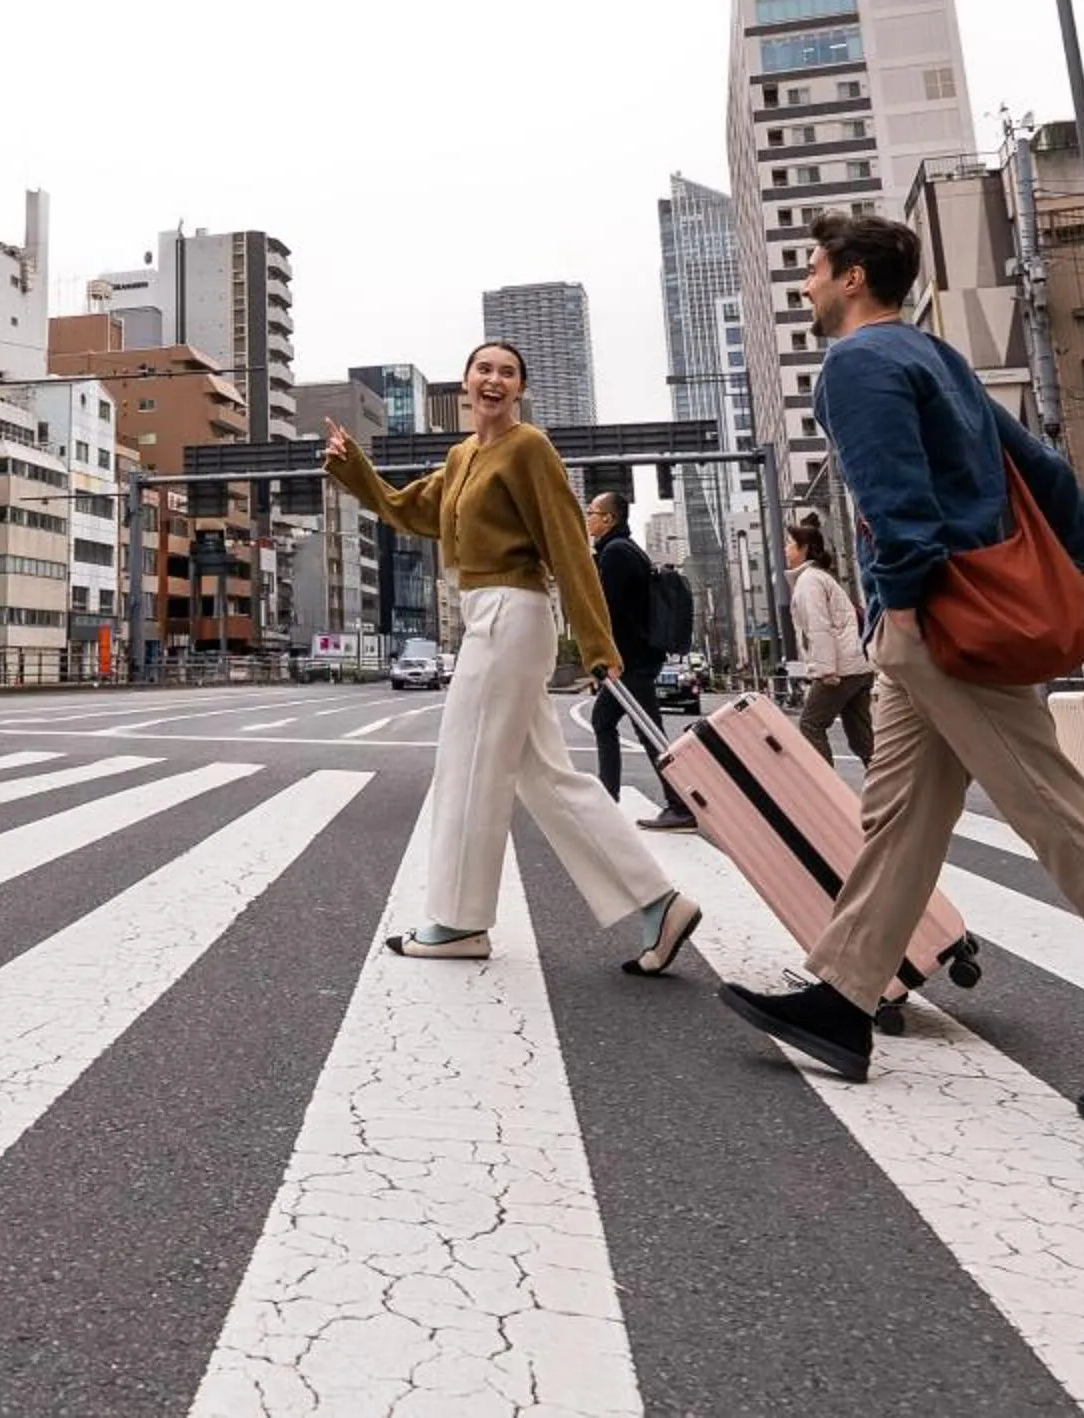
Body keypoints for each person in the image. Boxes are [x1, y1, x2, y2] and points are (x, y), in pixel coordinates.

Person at [721, 214, 1084, 1142]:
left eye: (813, 270)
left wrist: (900, 602)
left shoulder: (858, 365)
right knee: (898, 817)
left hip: (941, 624)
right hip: (957, 616)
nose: (806, 285)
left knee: (1063, 821)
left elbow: (900, 504)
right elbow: (1042, 465)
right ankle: (843, 1000)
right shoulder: (937, 357)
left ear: (853, 278)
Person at [324, 340, 702, 973]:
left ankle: (458, 921)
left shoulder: (529, 448)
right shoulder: (462, 456)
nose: (493, 379)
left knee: (467, 763)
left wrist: (596, 643)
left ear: (519, 389)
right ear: (466, 384)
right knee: (545, 777)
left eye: (507, 372)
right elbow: (407, 510)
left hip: (511, 613)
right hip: (486, 615)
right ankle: (658, 904)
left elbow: (567, 545)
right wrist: (355, 467)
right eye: (483, 369)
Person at [585, 491, 693, 832]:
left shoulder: (616, 553)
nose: (588, 518)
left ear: (608, 519)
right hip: (638, 658)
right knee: (606, 721)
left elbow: (618, 614)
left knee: (650, 734)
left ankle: (680, 805)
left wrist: (613, 659)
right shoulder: (622, 550)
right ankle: (609, 797)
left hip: (632, 660)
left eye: (592, 512)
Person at [786, 517, 876, 768]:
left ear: (803, 549)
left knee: (810, 724)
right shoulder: (820, 577)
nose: (785, 548)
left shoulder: (809, 580)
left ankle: (826, 793)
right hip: (857, 665)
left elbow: (819, 627)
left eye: (790, 544)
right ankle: (894, 794)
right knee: (862, 740)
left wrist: (826, 671)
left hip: (840, 668)